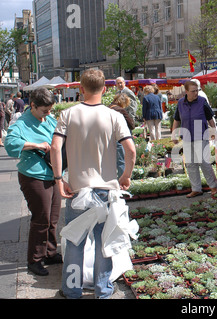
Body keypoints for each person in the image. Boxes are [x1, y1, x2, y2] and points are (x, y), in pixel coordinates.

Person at [51, 69, 136, 299]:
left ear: (81, 89)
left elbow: (56, 147)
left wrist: (59, 179)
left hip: (78, 188)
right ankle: (103, 290)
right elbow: (130, 149)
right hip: (106, 189)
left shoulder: (67, 114)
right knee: (103, 241)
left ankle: (71, 290)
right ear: (105, 89)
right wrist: (125, 176)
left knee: (75, 241)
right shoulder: (114, 116)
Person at [5, 87, 62, 276]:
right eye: (44, 110)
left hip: (52, 174)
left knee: (53, 218)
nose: (47, 114)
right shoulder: (21, 123)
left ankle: (50, 253)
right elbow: (10, 143)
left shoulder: (48, 119)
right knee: (41, 218)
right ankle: (35, 259)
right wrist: (36, 145)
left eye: (50, 110)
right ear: (33, 106)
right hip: (33, 175)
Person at [171, 80, 217, 198]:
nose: (196, 93)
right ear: (186, 92)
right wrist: (174, 134)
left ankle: (213, 186)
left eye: (197, 90)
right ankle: (196, 188)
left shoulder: (202, 101)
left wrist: (214, 131)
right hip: (187, 137)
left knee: (204, 162)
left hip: (201, 135)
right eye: (193, 91)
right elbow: (177, 119)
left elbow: (210, 118)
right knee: (191, 164)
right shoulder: (181, 103)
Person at [108, 93, 135, 178]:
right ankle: (122, 182)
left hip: (108, 138)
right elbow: (131, 125)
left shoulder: (108, 108)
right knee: (121, 161)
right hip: (119, 138)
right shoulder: (120, 110)